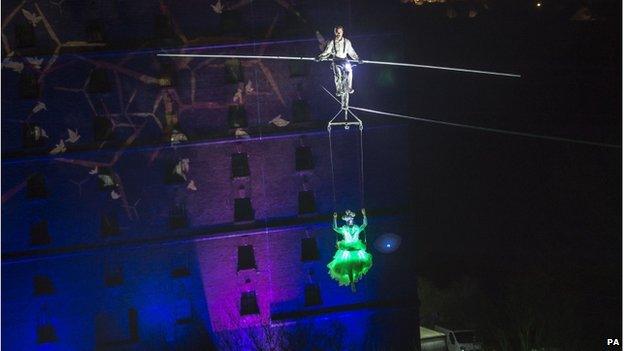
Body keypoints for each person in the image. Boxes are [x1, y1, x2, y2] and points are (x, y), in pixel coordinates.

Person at [327, 208, 373, 292]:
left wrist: (364, 215)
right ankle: (352, 283)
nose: (349, 221)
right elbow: (335, 228)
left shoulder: (357, 228)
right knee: (349, 266)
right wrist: (334, 218)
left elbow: (364, 224)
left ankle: (353, 281)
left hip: (356, 248)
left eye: (351, 219)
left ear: (352, 220)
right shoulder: (344, 229)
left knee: (354, 266)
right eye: (348, 220)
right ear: (346, 221)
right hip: (348, 249)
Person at [316, 26, 362, 95]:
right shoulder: (332, 42)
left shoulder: (347, 42)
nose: (338, 34)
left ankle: (349, 87)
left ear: (342, 32)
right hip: (336, 60)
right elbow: (327, 52)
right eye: (337, 32)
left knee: (349, 71)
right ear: (335, 33)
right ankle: (339, 89)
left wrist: (358, 59)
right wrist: (320, 57)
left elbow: (351, 52)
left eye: (339, 32)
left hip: (345, 60)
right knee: (338, 75)